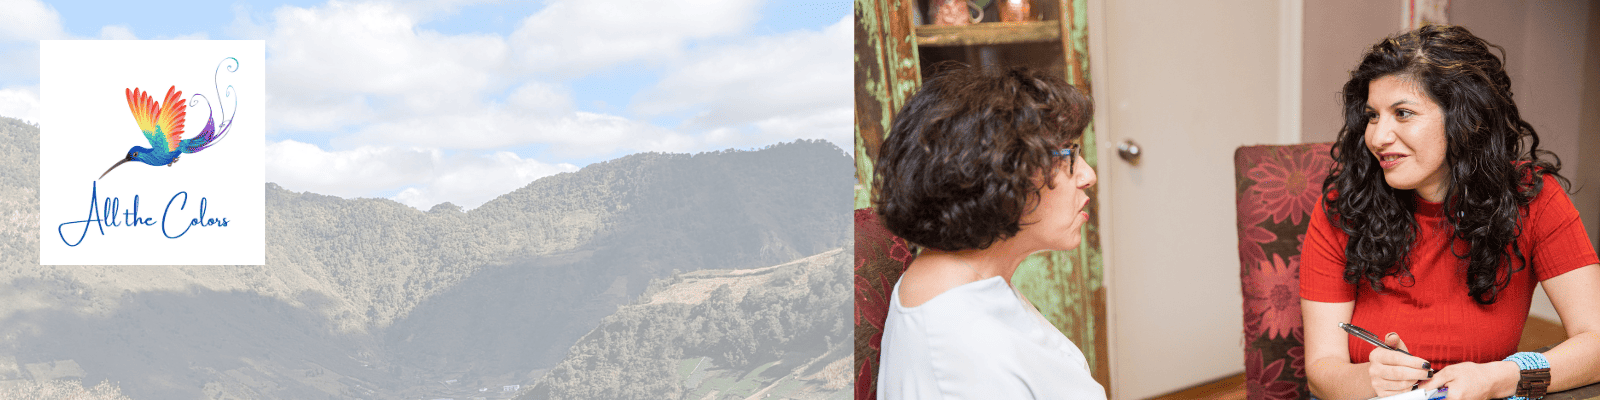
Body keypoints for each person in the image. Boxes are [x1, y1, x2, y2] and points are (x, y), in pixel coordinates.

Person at [1301, 24, 1600, 400]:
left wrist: (1500, 378)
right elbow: (1322, 371)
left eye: (1403, 113)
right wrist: (1370, 382)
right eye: (1373, 115)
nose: (1377, 137)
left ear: (1465, 120)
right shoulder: (1345, 205)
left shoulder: (1533, 199)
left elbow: (1597, 341)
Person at [872, 63, 1104, 399]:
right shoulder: (967, 353)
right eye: (1065, 155)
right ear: (993, 172)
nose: (1087, 175)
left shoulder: (962, 278)